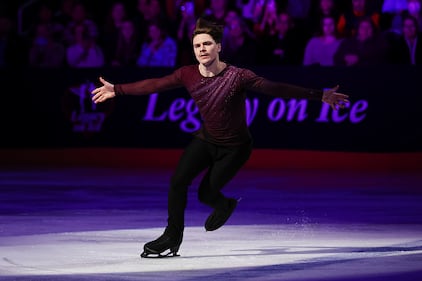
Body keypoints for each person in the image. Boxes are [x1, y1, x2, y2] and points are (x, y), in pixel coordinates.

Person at [91, 17, 349, 258]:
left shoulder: (238, 76)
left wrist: (319, 95)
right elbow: (154, 84)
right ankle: (172, 236)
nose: (201, 49)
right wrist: (118, 90)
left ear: (219, 47)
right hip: (206, 139)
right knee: (178, 181)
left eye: (207, 44)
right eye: (197, 46)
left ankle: (224, 205)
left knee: (206, 193)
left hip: (236, 148)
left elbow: (274, 87)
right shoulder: (187, 74)